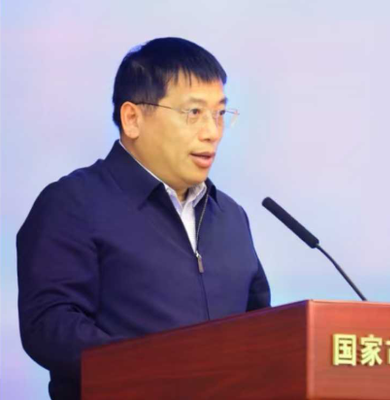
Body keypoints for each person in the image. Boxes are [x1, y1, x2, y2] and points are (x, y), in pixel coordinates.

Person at [17, 37, 271, 400]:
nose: (212, 132)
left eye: (219, 113)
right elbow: (50, 327)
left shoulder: (230, 216)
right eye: (193, 113)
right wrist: (163, 368)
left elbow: (262, 330)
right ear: (132, 118)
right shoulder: (73, 203)